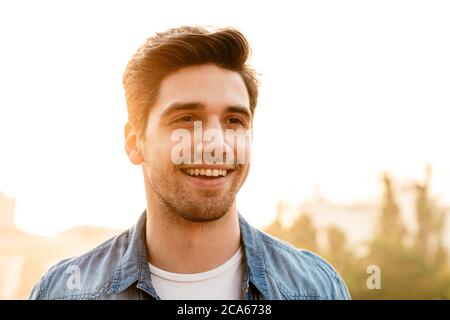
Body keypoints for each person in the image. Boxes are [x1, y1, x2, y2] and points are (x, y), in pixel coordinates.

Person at [29, 25, 351, 300]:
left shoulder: (317, 288)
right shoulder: (62, 291)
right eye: (186, 118)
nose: (215, 143)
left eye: (234, 121)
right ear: (134, 142)